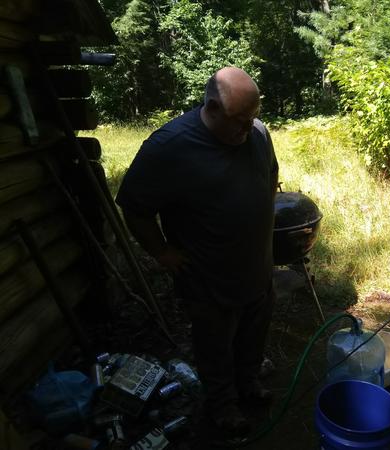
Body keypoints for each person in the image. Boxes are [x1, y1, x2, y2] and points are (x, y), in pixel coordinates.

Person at [115, 67, 278, 435]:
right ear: (214, 108)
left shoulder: (257, 132)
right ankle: (223, 407)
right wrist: (161, 252)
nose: (247, 128)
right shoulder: (169, 147)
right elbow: (135, 207)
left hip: (256, 267)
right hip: (209, 279)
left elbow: (270, 176)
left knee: (254, 334)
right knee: (215, 346)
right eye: (240, 120)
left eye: (253, 117)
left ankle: (248, 382)